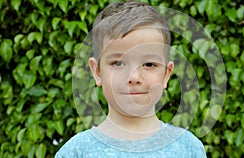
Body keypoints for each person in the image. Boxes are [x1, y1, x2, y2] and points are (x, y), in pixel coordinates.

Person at [55, 1, 207, 157]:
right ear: (98, 72)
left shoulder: (189, 149)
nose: (134, 77)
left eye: (149, 64)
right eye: (118, 63)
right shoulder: (76, 152)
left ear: (166, 75)